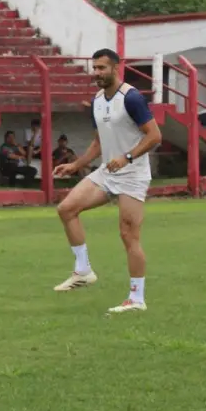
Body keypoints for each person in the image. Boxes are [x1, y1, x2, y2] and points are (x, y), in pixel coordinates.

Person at [53, 49, 162, 313]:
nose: (97, 73)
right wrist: (76, 165)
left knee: (128, 235)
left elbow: (154, 136)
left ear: (116, 68)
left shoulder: (132, 98)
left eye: (102, 68)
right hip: (107, 172)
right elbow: (99, 142)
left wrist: (126, 157)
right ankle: (83, 271)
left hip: (132, 175)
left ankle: (137, 299)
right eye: (95, 68)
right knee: (66, 209)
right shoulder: (98, 100)